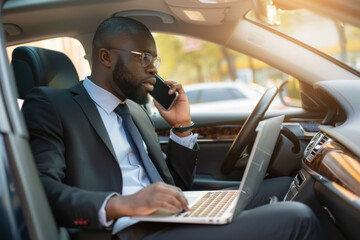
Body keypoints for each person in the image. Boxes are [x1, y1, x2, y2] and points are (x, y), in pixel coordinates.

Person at [22, 17, 323, 240]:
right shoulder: (52, 105)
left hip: (170, 217)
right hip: (125, 232)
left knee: (289, 187)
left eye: (156, 59)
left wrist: (181, 127)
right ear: (106, 57)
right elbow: (41, 189)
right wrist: (123, 204)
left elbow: (176, 184)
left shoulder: (137, 111)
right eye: (145, 58)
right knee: (297, 218)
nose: (154, 68)